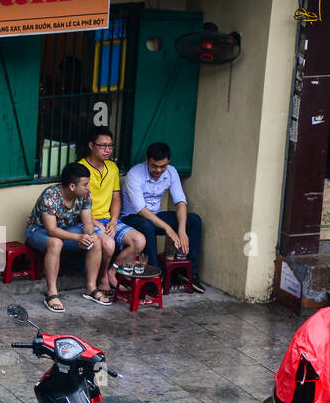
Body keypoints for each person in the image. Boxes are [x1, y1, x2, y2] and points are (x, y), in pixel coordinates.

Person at [24, 162, 115, 312]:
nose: (88, 188)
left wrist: (88, 236)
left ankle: (91, 288)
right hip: (37, 230)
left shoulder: (85, 196)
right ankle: (51, 293)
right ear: (73, 186)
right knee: (55, 243)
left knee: (96, 241)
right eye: (85, 185)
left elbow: (87, 224)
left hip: (66, 229)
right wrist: (77, 238)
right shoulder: (51, 196)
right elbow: (52, 230)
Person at [120, 141, 205, 293]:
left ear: (168, 162)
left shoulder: (171, 172)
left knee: (194, 220)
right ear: (147, 160)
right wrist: (167, 228)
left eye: (163, 166)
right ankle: (154, 277)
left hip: (156, 216)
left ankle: (187, 273)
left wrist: (182, 229)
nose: (158, 170)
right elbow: (140, 209)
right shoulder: (134, 174)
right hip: (132, 217)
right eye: (154, 166)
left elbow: (180, 201)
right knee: (146, 225)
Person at [78, 130, 145, 283]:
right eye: (102, 146)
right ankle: (102, 278)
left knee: (139, 240)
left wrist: (114, 221)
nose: (107, 150)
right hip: (86, 219)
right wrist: (95, 223)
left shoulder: (112, 168)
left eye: (110, 146)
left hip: (108, 218)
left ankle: (112, 271)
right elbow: (77, 205)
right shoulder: (80, 169)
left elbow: (116, 197)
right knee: (108, 244)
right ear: (91, 145)